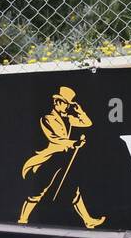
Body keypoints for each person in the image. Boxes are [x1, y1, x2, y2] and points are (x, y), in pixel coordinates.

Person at [17, 86, 105, 229]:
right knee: (39, 191)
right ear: (56, 102)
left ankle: (88, 220)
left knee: (74, 189)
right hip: (51, 158)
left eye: (66, 103)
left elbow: (88, 123)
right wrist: (74, 143)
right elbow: (56, 139)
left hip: (65, 158)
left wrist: (79, 111)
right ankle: (22, 221)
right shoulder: (47, 118)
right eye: (62, 102)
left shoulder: (69, 118)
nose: (64, 106)